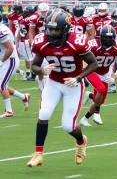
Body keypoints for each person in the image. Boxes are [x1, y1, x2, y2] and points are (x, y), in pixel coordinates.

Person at [27, 10, 98, 167]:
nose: (52, 32)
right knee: (44, 113)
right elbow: (34, 65)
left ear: (66, 29)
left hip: (72, 84)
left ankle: (81, 141)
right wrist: (41, 71)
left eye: (56, 29)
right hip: (53, 82)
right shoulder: (42, 41)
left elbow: (94, 64)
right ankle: (38, 153)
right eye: (50, 28)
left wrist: (78, 78)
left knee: (68, 126)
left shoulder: (77, 42)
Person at [80, 25, 117, 127]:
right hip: (91, 70)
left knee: (100, 100)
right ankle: (97, 113)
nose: (108, 40)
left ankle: (84, 118)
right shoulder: (93, 45)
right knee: (101, 89)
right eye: (106, 37)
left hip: (105, 72)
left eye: (110, 37)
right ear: (100, 37)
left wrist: (115, 76)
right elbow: (83, 57)